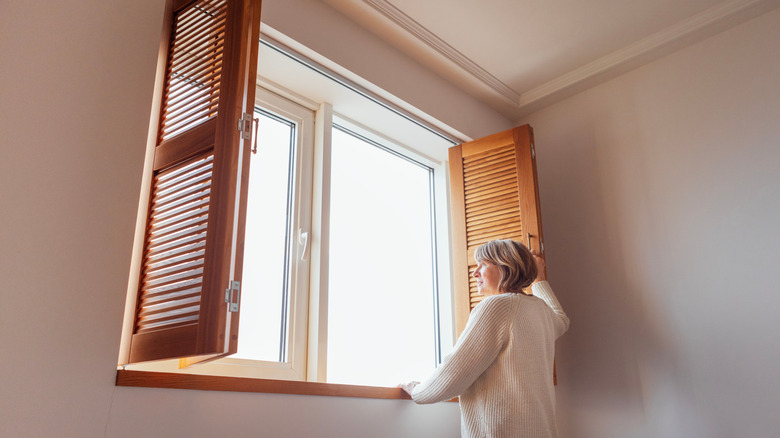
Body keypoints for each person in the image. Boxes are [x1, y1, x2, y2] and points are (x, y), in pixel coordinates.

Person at [400, 239, 569, 438]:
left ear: (506, 266)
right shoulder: (540, 310)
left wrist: (417, 391)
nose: (475, 273)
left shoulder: (496, 306)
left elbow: (454, 372)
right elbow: (562, 319)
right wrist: (539, 279)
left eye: (483, 264)